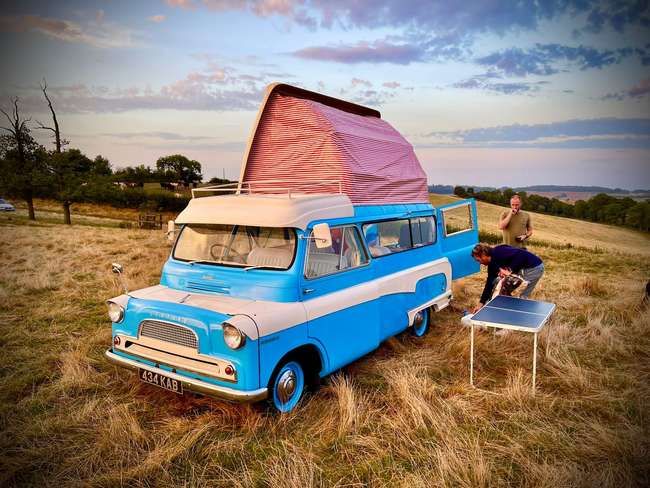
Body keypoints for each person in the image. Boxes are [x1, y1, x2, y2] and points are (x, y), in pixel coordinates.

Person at [471, 243, 544, 313]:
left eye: (478, 260)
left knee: (520, 296)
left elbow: (521, 254)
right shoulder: (491, 266)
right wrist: (481, 303)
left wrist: (510, 269)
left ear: (483, 255)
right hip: (523, 270)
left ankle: (521, 318)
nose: (479, 263)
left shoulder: (500, 251)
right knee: (498, 286)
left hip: (534, 268)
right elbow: (489, 284)